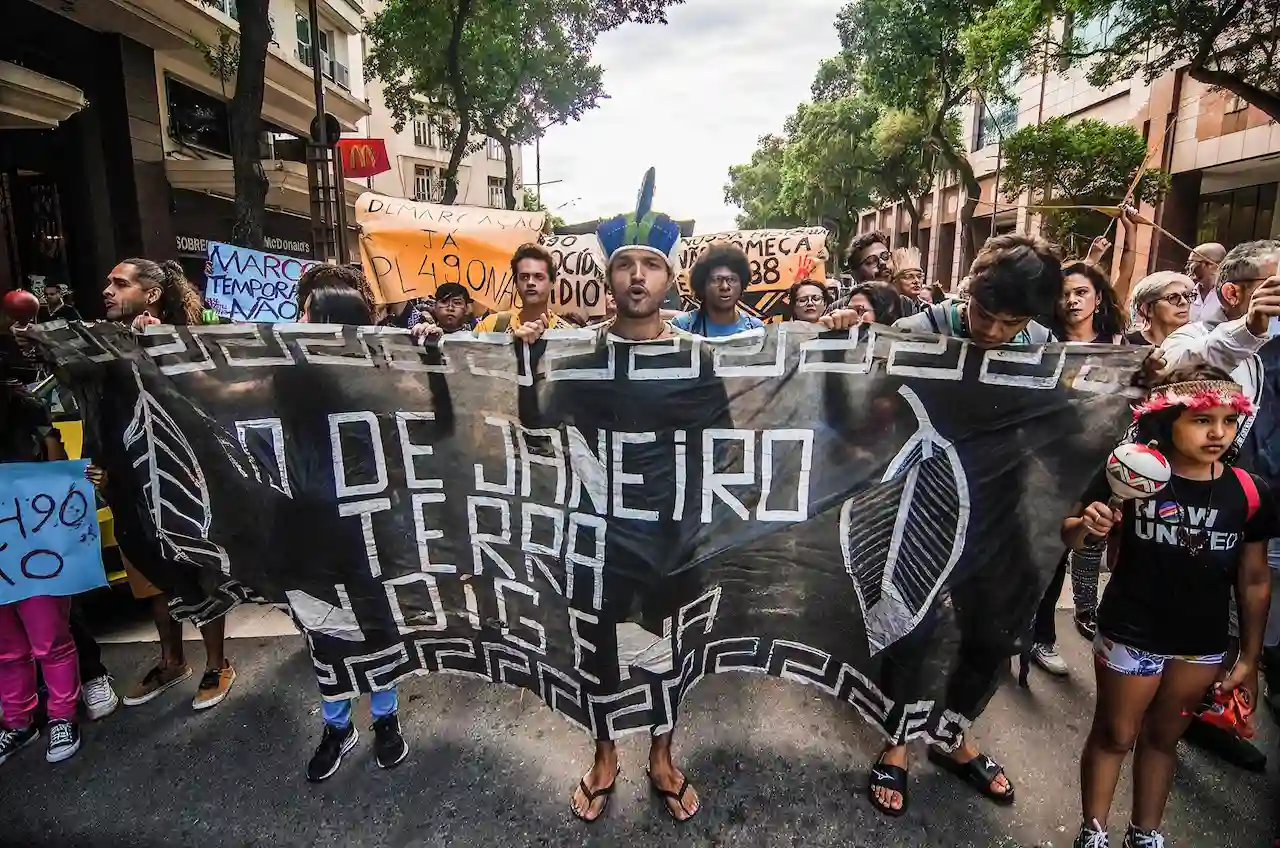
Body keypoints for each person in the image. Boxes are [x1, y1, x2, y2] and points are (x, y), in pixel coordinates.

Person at [833, 234, 1064, 818]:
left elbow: (1064, 421)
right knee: (909, 631)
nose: (992, 332)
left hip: (996, 510)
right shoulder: (914, 334)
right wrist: (842, 355)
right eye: (984, 314)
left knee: (990, 633)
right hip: (917, 503)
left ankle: (955, 735)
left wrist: (1141, 374)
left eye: (1010, 322)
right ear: (969, 287)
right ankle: (898, 740)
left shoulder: (1040, 345)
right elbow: (856, 423)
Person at [1066, 364, 1275, 848]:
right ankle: (1093, 831)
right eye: (1202, 420)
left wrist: (1248, 656)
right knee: (1115, 734)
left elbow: (1255, 578)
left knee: (1163, 741)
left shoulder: (1248, 491)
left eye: (1227, 419)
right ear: (1167, 420)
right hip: (1131, 632)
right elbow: (1073, 536)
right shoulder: (1131, 472)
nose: (1218, 433)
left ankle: (1146, 833)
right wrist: (1090, 527)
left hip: (1199, 645)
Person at [96, 259, 235, 711]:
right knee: (152, 581)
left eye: (120, 284)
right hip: (129, 485)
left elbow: (207, 398)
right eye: (109, 283)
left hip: (179, 483)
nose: (108, 290)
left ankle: (217, 663)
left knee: (196, 575)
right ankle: (171, 659)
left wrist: (161, 347)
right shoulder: (104, 344)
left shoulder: (181, 341)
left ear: (151, 294)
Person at [294, 270, 410, 782]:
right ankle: (337, 724)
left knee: (376, 622)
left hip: (370, 522)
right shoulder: (286, 376)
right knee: (325, 630)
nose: (297, 323)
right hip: (309, 521)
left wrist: (427, 348)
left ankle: (386, 718)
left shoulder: (380, 376)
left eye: (308, 315)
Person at [0, 368, 82, 766]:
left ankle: (62, 717)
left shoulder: (25, 406)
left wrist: (58, 527)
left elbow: (57, 464)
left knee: (49, 638)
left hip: (32, 538)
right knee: (7, 648)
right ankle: (18, 721)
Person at [670, 244, 764, 337]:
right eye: (716, 279)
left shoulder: (755, 329)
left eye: (731, 280)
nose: (725, 286)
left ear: (742, 284)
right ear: (703, 285)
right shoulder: (683, 327)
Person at [475, 244, 569, 334]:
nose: (530, 282)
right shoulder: (490, 327)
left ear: (552, 282)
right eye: (524, 277)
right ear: (516, 282)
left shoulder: (567, 334)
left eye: (539, 277)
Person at [1053, 262, 1128, 344]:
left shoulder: (1116, 343)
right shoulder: (1048, 339)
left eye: (1081, 292)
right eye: (1064, 294)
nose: (1072, 300)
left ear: (1098, 298)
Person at [1124, 272, 1194, 346]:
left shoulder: (1196, 343)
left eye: (1186, 296)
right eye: (1173, 297)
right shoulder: (1127, 344)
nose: (1184, 302)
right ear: (1148, 308)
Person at [1186, 242, 1228, 322]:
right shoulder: (1185, 293)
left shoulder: (1228, 297)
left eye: (1191, 262)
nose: (1187, 267)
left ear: (1211, 265)